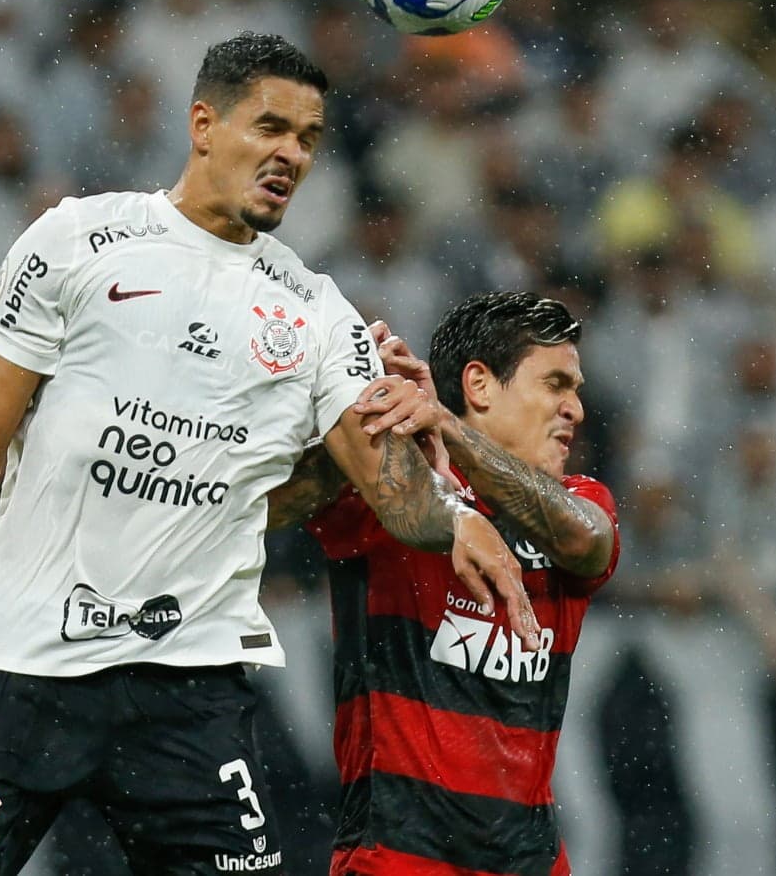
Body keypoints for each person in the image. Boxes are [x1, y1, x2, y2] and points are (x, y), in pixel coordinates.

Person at [0, 32, 537, 876]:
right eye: (270, 127)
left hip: (189, 687)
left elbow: (399, 499)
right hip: (21, 663)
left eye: (308, 138)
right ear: (203, 124)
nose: (291, 154)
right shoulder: (76, 241)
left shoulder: (319, 314)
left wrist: (451, 498)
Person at [266, 291, 620, 876]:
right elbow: (264, 504)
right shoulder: (392, 491)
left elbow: (588, 542)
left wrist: (446, 426)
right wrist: (347, 407)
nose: (576, 410)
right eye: (556, 384)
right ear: (479, 385)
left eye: (576, 389)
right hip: (397, 858)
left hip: (531, 861)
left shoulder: (581, 501)